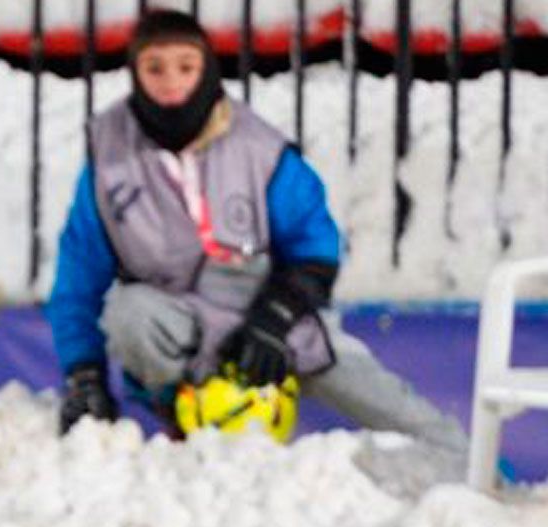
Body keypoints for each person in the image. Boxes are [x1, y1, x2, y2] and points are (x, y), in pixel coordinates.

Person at [45, 7, 467, 466]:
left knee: (388, 403)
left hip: (271, 311)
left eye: (185, 66)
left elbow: (316, 246)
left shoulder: (258, 147)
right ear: (135, 73)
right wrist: (83, 375)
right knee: (127, 313)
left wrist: (274, 319)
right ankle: (187, 434)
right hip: (174, 317)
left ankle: (472, 469)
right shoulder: (109, 156)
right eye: (155, 68)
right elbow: (77, 277)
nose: (171, 82)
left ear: (206, 69)